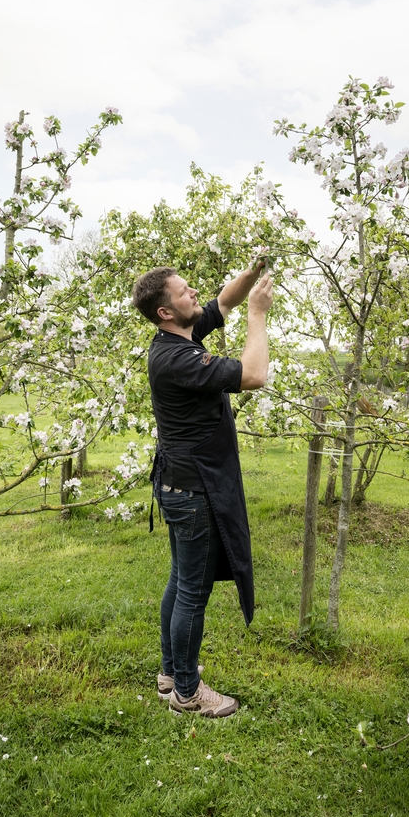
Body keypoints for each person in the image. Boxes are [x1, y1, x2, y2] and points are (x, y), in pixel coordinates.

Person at [132, 261, 273, 717]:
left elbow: (223, 300)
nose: (194, 293)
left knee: (182, 580)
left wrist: (251, 275)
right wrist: (259, 315)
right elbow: (253, 376)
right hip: (192, 492)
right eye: (183, 292)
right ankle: (187, 694)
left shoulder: (182, 336)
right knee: (192, 590)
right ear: (165, 312)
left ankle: (171, 674)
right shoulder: (178, 359)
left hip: (180, 484)